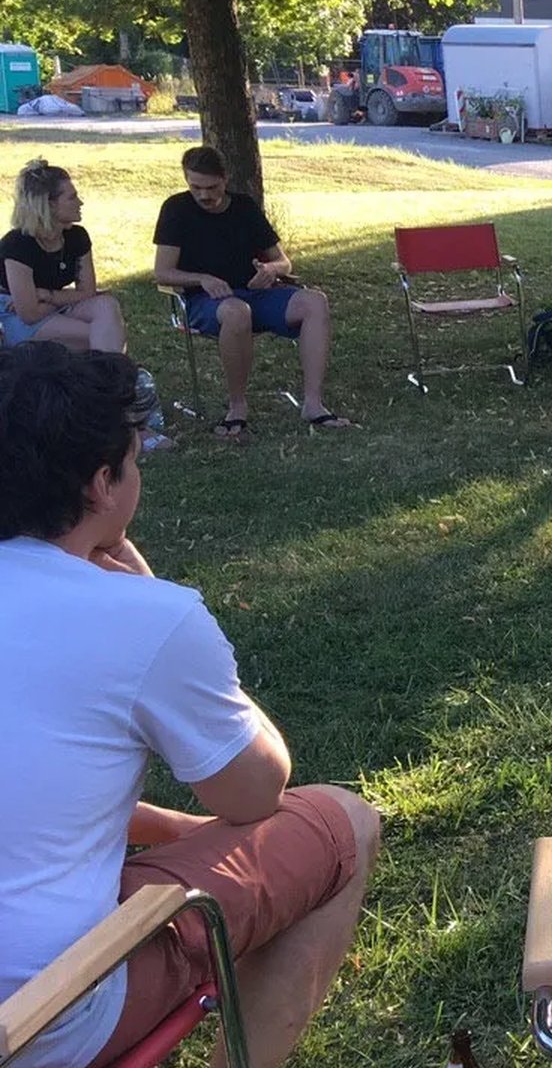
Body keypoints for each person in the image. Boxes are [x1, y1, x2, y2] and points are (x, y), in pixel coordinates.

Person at [0, 341, 382, 1068]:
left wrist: (177, 830)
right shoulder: (141, 617)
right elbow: (254, 792)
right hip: (40, 1016)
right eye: (135, 460)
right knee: (343, 822)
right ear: (101, 484)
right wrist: (148, 598)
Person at [152, 146, 350, 440]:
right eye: (195, 187)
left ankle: (313, 403)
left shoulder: (244, 207)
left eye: (212, 187)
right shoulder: (176, 209)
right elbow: (162, 272)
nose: (204, 195)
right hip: (206, 301)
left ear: (225, 178)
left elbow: (284, 262)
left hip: (256, 293)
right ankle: (237, 406)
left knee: (315, 302)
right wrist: (202, 279)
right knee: (236, 312)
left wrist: (271, 271)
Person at [1, 160, 125, 354]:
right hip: (14, 315)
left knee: (106, 305)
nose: (80, 202)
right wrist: (61, 299)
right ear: (49, 205)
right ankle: (112, 378)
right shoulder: (18, 244)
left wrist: (46, 296)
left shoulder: (77, 236)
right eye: (72, 197)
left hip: (52, 305)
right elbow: (29, 314)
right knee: (100, 333)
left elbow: (88, 292)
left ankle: (109, 377)